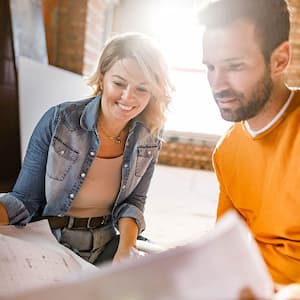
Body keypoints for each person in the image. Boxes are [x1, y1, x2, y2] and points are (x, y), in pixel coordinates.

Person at [0, 32, 172, 265]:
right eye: (119, 83)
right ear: (102, 78)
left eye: (142, 89)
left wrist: (127, 248)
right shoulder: (59, 121)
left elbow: (133, 203)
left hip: (107, 242)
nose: (128, 97)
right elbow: (24, 200)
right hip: (51, 242)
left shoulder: (150, 135)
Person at [199, 0, 300, 290]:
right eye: (211, 67)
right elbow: (228, 245)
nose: (218, 84)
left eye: (234, 66)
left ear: (280, 59)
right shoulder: (227, 151)